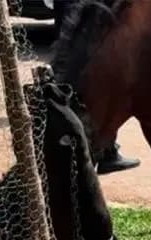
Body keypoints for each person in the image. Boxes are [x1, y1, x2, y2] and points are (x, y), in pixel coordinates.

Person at [52, 0, 141, 174]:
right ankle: (100, 155)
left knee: (74, 82)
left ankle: (105, 152)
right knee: (96, 85)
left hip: (75, 18)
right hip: (85, 20)